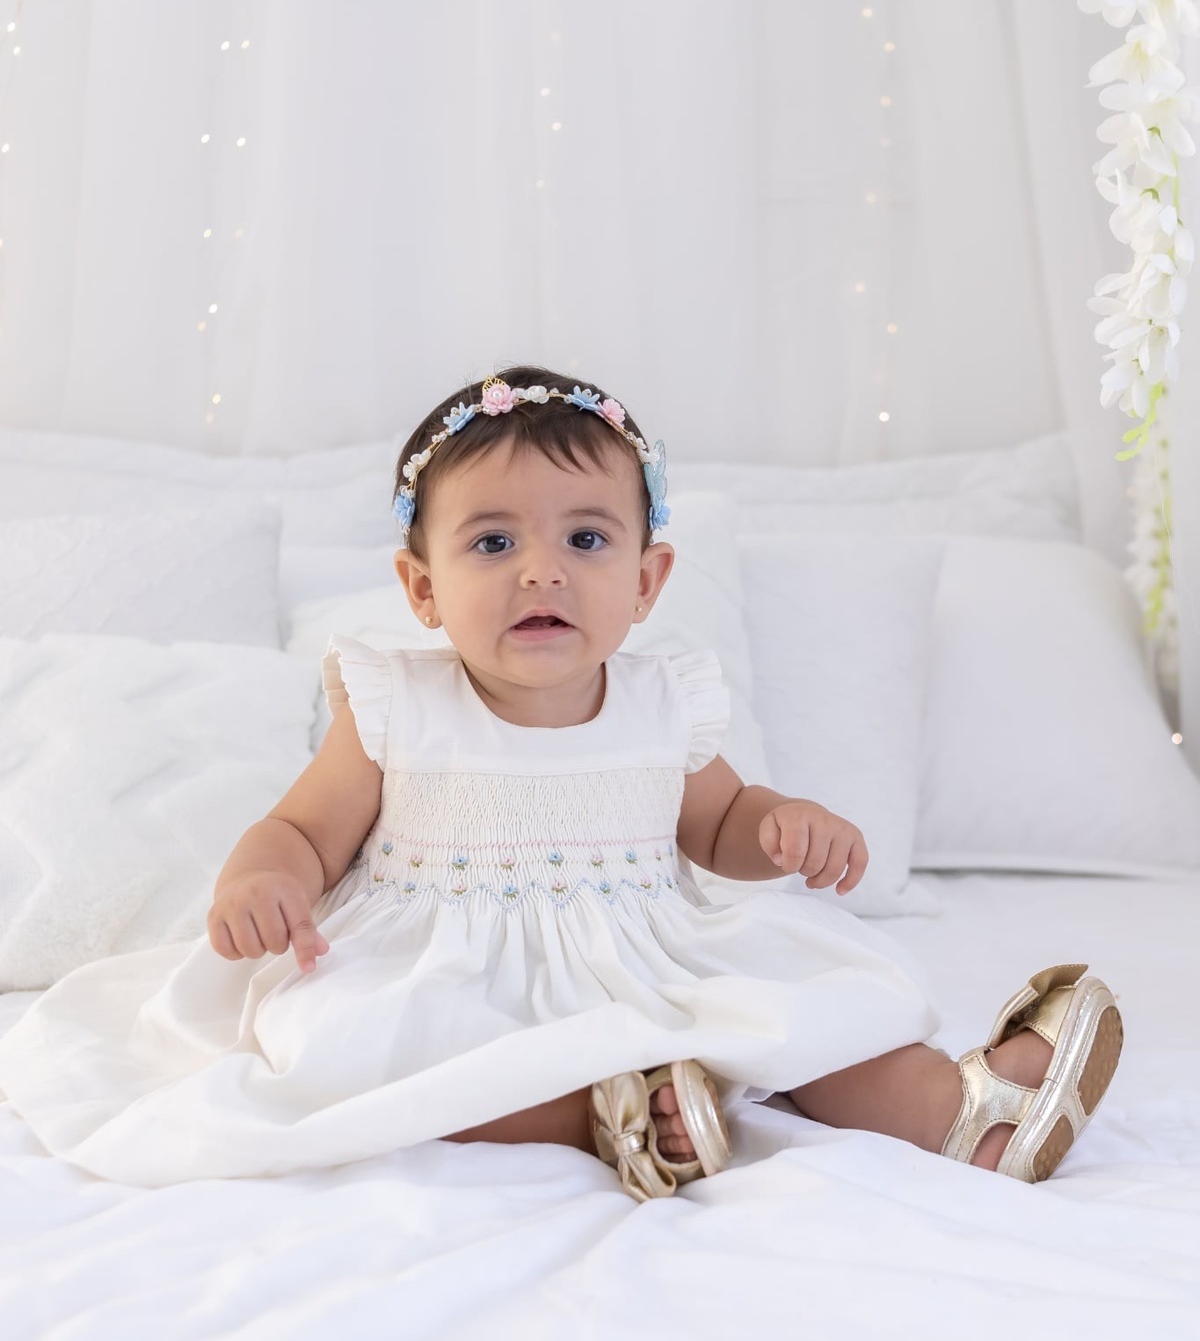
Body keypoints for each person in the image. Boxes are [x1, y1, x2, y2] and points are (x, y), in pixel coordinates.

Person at [0, 365, 1123, 1199]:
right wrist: (265, 880)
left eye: (586, 539)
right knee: (375, 1052)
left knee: (798, 1016)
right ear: (421, 587)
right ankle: (607, 1117)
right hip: (444, 959)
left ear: (647, 580)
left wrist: (782, 825)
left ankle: (963, 1118)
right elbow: (306, 828)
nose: (541, 566)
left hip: (642, 949)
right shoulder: (395, 702)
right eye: (491, 543)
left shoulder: (664, 699)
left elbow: (717, 821)